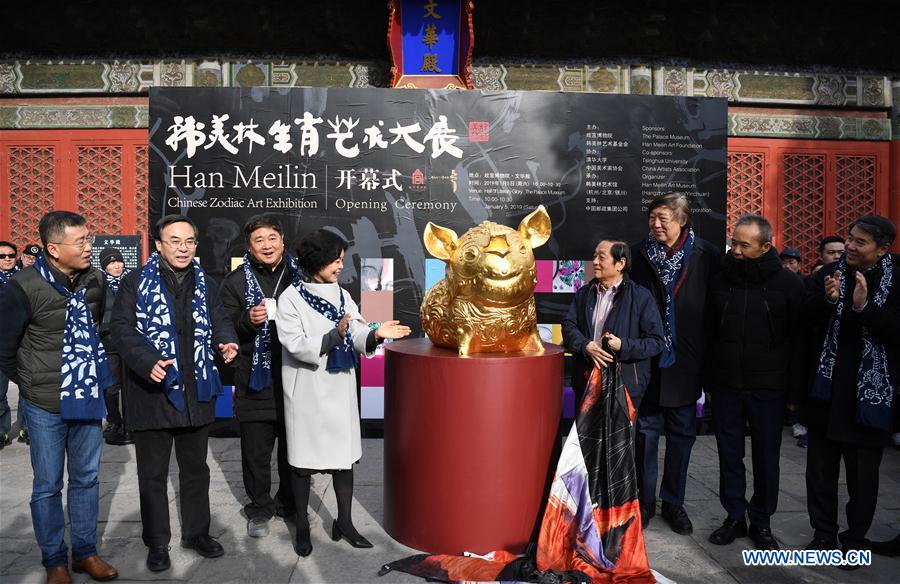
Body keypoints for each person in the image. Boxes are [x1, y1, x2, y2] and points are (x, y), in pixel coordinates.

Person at [110, 215, 238, 573]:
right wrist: (146, 359)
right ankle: (156, 542)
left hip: (196, 393)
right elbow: (120, 328)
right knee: (152, 474)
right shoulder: (135, 282)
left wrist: (226, 340)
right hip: (153, 393)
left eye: (190, 241)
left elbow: (219, 317)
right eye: (175, 241)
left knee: (196, 469)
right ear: (160, 245)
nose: (184, 248)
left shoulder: (206, 283)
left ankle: (197, 534)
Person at [0, 211, 119, 584]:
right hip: (44, 404)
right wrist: (32, 383)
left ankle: (86, 553)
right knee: (48, 484)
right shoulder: (22, 286)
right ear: (53, 249)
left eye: (89, 239)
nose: (89, 247)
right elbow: (4, 348)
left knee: (86, 479)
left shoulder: (96, 280)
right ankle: (54, 559)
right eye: (80, 241)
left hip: (85, 398)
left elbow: (105, 330)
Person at [276, 229, 410, 557]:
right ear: (316, 261)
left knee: (343, 461)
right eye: (334, 260)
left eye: (341, 259)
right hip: (307, 390)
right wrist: (335, 336)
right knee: (303, 464)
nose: (340, 266)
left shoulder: (341, 293)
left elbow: (359, 328)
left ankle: (345, 522)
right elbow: (295, 344)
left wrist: (377, 333)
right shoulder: (290, 298)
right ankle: (303, 528)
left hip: (338, 389)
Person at [704, 215, 805, 550]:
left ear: (765, 246)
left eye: (744, 245)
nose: (735, 249)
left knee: (767, 457)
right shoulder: (719, 280)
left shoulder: (789, 285)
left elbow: (799, 341)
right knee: (729, 455)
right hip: (726, 384)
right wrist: (709, 380)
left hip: (768, 387)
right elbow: (709, 333)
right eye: (734, 242)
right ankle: (734, 516)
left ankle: (761, 521)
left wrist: (794, 392)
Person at [804, 215, 899, 557]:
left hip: (869, 398)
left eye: (861, 242)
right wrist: (828, 301)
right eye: (850, 237)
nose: (850, 246)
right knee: (819, 472)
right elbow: (803, 318)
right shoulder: (827, 274)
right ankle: (824, 534)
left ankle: (855, 540)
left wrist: (864, 308)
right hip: (827, 393)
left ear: (883, 248)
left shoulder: (897, 279)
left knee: (862, 478)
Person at [629, 193, 721, 534]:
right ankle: (644, 502)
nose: (655, 225)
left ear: (683, 221)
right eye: (652, 217)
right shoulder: (638, 253)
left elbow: (715, 313)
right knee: (645, 434)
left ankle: (674, 503)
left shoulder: (707, 255)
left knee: (682, 435)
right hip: (647, 359)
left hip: (687, 360)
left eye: (663, 218)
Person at [219, 215, 299, 538]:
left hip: (296, 376)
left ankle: (289, 503)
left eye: (272, 238)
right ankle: (260, 508)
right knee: (256, 451)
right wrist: (247, 320)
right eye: (259, 240)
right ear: (249, 248)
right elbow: (223, 325)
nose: (267, 245)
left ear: (282, 240)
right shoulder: (236, 282)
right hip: (254, 378)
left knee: (293, 450)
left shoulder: (301, 276)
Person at [562, 239, 665, 409]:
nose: (594, 262)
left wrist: (623, 345)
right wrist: (585, 345)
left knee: (620, 436)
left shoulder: (641, 297)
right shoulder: (584, 294)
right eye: (594, 256)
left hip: (624, 388)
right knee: (586, 436)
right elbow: (568, 326)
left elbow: (656, 342)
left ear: (620, 263)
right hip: (586, 383)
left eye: (601, 258)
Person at [98, 247, 131, 446]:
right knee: (111, 386)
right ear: (104, 266)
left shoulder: (132, 281)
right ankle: (113, 420)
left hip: (130, 340)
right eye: (111, 262)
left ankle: (131, 421)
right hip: (108, 341)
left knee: (131, 385)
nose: (116, 266)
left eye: (118, 261)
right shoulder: (99, 285)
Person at [0, 240, 18, 448]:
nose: (7, 259)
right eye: (2, 256)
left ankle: (26, 428)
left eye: (10, 255)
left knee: (27, 391)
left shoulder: (23, 279)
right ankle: (2, 431)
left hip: (22, 342)